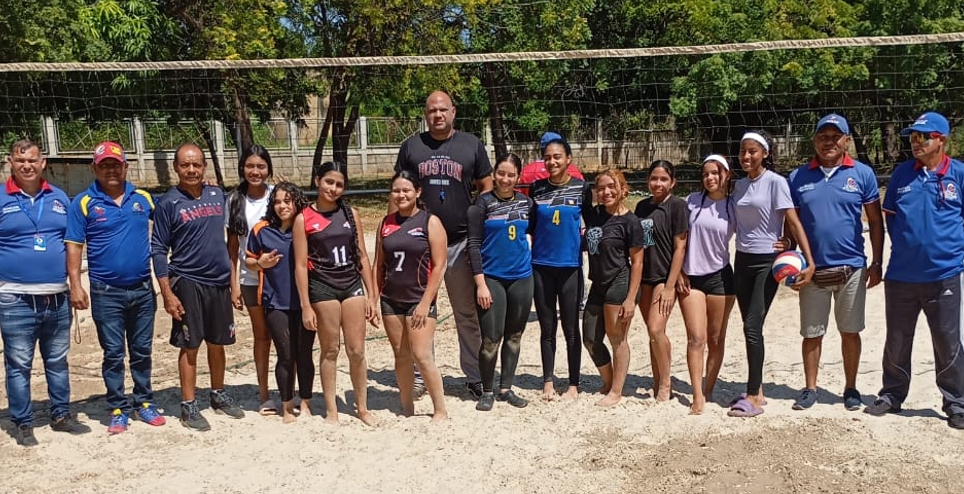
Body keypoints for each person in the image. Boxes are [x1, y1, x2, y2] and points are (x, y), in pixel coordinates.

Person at [866, 111, 964, 430]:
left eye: (922, 137)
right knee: (896, 339)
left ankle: (956, 403)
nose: (915, 142)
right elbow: (890, 217)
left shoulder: (958, 174)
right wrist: (911, 247)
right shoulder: (902, 174)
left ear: (941, 140)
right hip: (902, 276)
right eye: (912, 136)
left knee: (948, 341)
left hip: (945, 274)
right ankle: (892, 395)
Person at [394, 90, 493, 398]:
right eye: (432, 110)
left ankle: (476, 375)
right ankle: (423, 375)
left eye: (443, 110)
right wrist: (391, 230)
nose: (437, 115)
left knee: (467, 313)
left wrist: (482, 223)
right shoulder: (412, 146)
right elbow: (398, 189)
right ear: (425, 114)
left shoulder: (471, 144)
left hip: (461, 241)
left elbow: (486, 185)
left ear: (454, 111)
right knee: (419, 312)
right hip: (420, 245)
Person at [66, 141, 166, 434]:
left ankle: (144, 402)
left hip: (142, 290)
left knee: (142, 350)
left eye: (115, 164)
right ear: (95, 168)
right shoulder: (83, 203)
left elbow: (168, 220)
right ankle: (118, 407)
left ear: (126, 167)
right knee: (112, 352)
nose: (111, 169)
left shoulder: (144, 199)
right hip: (105, 291)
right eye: (104, 165)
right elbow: (73, 245)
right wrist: (75, 284)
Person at [787, 114, 884, 412]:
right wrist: (790, 259)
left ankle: (851, 387)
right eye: (823, 136)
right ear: (815, 141)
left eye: (835, 136)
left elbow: (875, 222)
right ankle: (810, 388)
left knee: (850, 331)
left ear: (846, 140)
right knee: (812, 332)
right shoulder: (797, 177)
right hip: (812, 268)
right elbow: (791, 224)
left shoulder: (863, 174)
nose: (829, 142)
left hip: (852, 266)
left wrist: (877, 262)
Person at [0, 139, 91, 446]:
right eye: (20, 160)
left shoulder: (60, 198)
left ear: (43, 163)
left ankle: (61, 414)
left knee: (57, 360)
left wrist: (76, 285)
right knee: (19, 363)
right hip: (15, 298)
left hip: (56, 296)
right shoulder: (0, 198)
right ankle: (23, 422)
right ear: (10, 162)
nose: (26, 165)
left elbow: (73, 242)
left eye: (32, 160)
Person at [151, 143, 244, 431]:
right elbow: (157, 249)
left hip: (218, 283)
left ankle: (218, 393)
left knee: (218, 342)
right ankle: (189, 405)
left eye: (196, 164)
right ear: (177, 168)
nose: (191, 170)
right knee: (190, 345)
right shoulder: (168, 203)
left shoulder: (217, 195)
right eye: (185, 165)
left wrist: (233, 280)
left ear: (204, 167)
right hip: (188, 282)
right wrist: (167, 293)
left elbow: (232, 236)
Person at [729, 130, 815, 418]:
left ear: (765, 153)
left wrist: (807, 259)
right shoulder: (738, 186)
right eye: (743, 151)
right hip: (741, 260)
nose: (746, 156)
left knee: (752, 327)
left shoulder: (776, 182)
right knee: (749, 325)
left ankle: (753, 395)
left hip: (767, 261)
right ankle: (759, 390)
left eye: (752, 151)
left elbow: (793, 221)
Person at [293, 161, 378, 426]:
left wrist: (372, 295)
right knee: (330, 349)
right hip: (323, 287)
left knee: (357, 350)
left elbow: (362, 255)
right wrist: (306, 305)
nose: (333, 188)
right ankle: (332, 410)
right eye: (329, 182)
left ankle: (362, 408)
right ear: (318, 181)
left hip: (351, 285)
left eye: (339, 184)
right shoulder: (303, 218)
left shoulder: (350, 214)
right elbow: (299, 264)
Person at [374, 171, 449, 422]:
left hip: (419, 298)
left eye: (406, 190)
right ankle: (406, 406)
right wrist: (373, 299)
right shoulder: (386, 223)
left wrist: (426, 302)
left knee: (421, 354)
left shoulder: (430, 222)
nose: (401, 195)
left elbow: (439, 266)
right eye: (396, 191)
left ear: (417, 192)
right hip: (391, 299)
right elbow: (379, 265)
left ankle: (440, 408)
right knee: (401, 354)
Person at [466, 153, 534, 411]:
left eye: (511, 175)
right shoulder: (481, 205)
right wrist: (480, 283)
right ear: (494, 174)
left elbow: (533, 233)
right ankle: (487, 390)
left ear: (518, 177)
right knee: (491, 339)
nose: (505, 179)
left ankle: (506, 387)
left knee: (515, 335)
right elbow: (473, 245)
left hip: (521, 278)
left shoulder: (527, 204)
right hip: (492, 278)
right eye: (501, 173)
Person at [530, 136, 593, 401]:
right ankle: (547, 382)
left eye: (557, 156)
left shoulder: (581, 188)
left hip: (570, 267)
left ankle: (574, 385)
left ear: (568, 159)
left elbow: (593, 224)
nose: (552, 161)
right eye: (547, 157)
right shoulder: (536, 189)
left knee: (570, 328)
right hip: (541, 267)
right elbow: (531, 226)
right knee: (547, 328)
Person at [246, 182, 314, 424]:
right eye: (277, 201)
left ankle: (305, 401)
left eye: (287, 200)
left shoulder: (307, 227)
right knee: (285, 354)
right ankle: (286, 406)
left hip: (306, 302)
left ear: (297, 202)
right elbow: (248, 262)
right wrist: (260, 262)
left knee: (304, 355)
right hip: (275, 302)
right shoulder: (261, 230)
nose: (282, 206)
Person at [676, 155, 737, 414]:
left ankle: (709, 388)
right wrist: (678, 271)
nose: (710, 178)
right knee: (696, 338)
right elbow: (676, 238)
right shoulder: (691, 202)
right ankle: (697, 394)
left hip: (721, 277)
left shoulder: (735, 206)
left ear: (726, 174)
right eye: (705, 174)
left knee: (715, 339)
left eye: (715, 173)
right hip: (692, 277)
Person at [582, 169, 645, 407]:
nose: (606, 192)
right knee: (590, 338)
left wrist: (631, 299)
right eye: (601, 188)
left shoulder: (630, 222)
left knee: (617, 338)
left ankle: (616, 391)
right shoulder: (594, 214)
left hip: (620, 283)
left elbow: (638, 262)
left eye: (611, 186)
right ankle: (608, 382)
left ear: (622, 189)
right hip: (597, 283)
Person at [634, 160, 689, 402]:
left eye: (664, 179)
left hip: (663, 276)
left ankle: (666, 382)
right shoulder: (641, 206)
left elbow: (680, 248)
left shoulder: (677, 206)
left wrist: (670, 285)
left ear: (672, 182)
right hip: (643, 275)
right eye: (654, 178)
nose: (658, 183)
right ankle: (657, 380)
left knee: (657, 328)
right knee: (653, 332)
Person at [226, 145, 275, 414]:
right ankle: (265, 393)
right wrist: (234, 285)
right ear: (242, 168)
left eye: (260, 166)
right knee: (261, 336)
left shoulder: (278, 196)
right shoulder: (234, 200)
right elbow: (232, 248)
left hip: (280, 278)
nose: (255, 172)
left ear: (268, 169)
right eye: (250, 166)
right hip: (250, 279)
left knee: (285, 335)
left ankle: (289, 391)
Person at [517, 131, 584, 195]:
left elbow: (518, 197)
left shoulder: (526, 170)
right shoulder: (573, 169)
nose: (552, 162)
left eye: (557, 157)